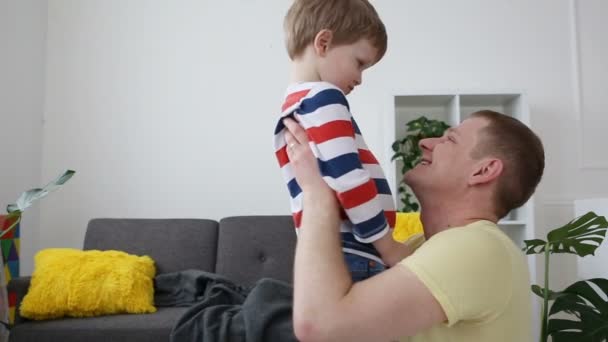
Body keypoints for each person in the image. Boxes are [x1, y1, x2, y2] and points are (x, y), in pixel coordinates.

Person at [284, 110, 545, 342]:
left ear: (483, 171)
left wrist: (316, 194)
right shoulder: (416, 247)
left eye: (449, 139)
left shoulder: (479, 248)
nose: (425, 142)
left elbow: (319, 327)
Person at [273, 0, 410, 281]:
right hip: (355, 250)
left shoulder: (294, 103)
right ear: (323, 42)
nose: (360, 79)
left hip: (325, 247)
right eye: (359, 63)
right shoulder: (324, 97)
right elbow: (347, 176)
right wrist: (388, 246)